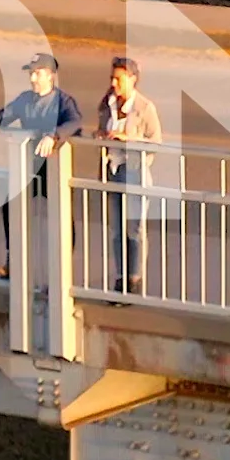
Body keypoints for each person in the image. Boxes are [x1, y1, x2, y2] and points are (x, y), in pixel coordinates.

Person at [0, 52, 79, 279]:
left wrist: (54, 135)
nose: (33, 78)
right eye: (31, 73)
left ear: (51, 76)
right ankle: (12, 263)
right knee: (10, 206)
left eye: (38, 73)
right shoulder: (25, 99)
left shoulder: (63, 101)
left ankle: (63, 270)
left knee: (62, 217)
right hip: (30, 168)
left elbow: (75, 122)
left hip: (54, 170)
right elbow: (5, 114)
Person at [87, 53, 160, 292]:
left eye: (119, 79)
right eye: (112, 78)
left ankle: (135, 279)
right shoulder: (106, 103)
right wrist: (100, 136)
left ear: (133, 79)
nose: (114, 84)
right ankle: (120, 277)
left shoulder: (144, 108)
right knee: (117, 228)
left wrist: (129, 139)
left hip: (135, 171)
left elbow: (156, 142)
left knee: (134, 228)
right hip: (113, 169)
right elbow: (100, 129)